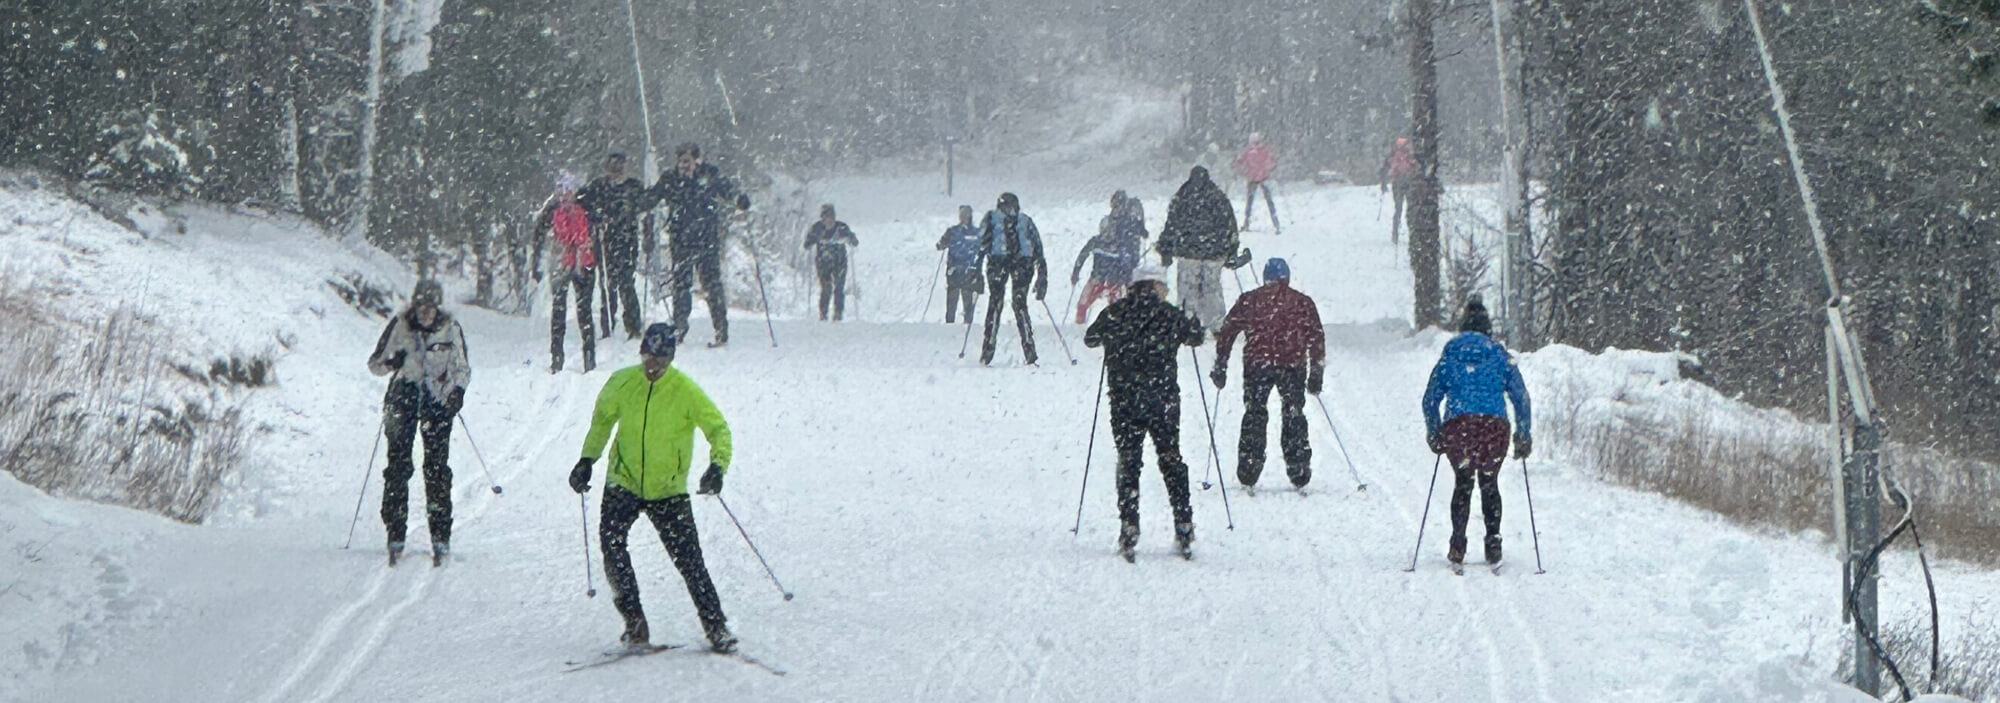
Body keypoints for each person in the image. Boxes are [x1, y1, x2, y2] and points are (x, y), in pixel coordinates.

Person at [569, 322, 738, 653]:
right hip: (624, 482)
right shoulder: (622, 382)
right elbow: (602, 422)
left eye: (660, 360)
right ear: (641, 353)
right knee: (612, 548)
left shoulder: (685, 391)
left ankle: (716, 628)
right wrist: (587, 460)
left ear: (671, 359)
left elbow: (719, 430)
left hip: (668, 491)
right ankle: (634, 623)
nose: (652, 366)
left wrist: (717, 467)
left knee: (690, 561)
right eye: (648, 357)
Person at [1084, 264, 1206, 562]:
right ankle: (1184, 525)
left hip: (1125, 400)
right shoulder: (1169, 314)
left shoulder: (1115, 312)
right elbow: (1195, 337)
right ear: (1157, 287)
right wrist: (1192, 322)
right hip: (1162, 400)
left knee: (1129, 461)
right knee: (1171, 460)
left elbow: (1090, 338)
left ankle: (1129, 525)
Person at [365, 279, 471, 567]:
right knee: (398, 466)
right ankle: (395, 530)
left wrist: (457, 393)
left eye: (431, 308)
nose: (426, 313)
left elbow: (461, 368)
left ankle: (440, 534)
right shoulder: (399, 326)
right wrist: (392, 362)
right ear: (414, 305)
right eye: (422, 307)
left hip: (437, 401)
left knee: (437, 469)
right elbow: (375, 364)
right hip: (403, 397)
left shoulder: (451, 329)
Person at [1420, 295, 1532, 566]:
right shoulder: (1499, 354)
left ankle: (1458, 544)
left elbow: (1430, 399)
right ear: (1487, 328)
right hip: (1494, 427)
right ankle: (1493, 543)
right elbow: (1521, 397)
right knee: (1489, 483)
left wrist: (1434, 431)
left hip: (1459, 427)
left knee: (1463, 482)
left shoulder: (1450, 354)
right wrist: (1523, 433)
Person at [1210, 258, 1325, 490]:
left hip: (1257, 364)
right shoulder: (1302, 302)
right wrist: (1316, 372)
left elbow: (1228, 331)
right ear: (1287, 277)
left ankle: (1249, 466)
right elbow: (1316, 338)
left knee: (1255, 412)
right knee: (1293, 412)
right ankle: (1298, 466)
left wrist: (1221, 362)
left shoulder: (1250, 300)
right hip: (1292, 365)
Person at [652, 142, 750, 348]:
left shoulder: (709, 176)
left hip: (707, 239)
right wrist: (636, 202)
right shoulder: (670, 180)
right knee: (681, 284)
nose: (684, 165)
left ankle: (721, 330)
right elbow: (652, 197)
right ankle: (679, 328)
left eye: (688, 160)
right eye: (681, 161)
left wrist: (739, 199)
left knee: (712, 285)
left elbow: (727, 190)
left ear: (697, 160)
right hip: (681, 240)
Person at [1156, 166, 1242, 333]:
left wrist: (1165, 247)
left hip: (1188, 252)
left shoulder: (1182, 197)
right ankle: (1216, 324)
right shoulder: (1217, 197)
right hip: (1214, 253)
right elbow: (1229, 224)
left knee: (1188, 287)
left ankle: (1189, 322)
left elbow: (1171, 224)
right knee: (1212, 288)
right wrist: (1232, 249)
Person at [577, 153, 652, 339]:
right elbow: (582, 202)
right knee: (607, 283)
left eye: (618, 167)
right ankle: (607, 324)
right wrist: (595, 217)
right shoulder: (598, 187)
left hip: (627, 240)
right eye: (612, 167)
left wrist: (648, 234)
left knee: (626, 282)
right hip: (605, 240)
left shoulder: (633, 187)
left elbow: (647, 206)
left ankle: (633, 325)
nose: (615, 172)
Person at [532, 171, 596, 373]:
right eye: (560, 189)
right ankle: (556, 358)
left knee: (584, 311)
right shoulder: (551, 211)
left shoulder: (586, 208)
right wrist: (537, 262)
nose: (564, 193)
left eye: (568, 189)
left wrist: (592, 247)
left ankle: (589, 357)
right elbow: (538, 235)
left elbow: (597, 231)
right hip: (561, 263)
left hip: (584, 262)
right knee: (558, 311)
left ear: (575, 191)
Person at [976, 192, 1048, 366]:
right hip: (1023, 263)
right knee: (1020, 304)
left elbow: (981, 245)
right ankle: (1029, 351)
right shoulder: (1025, 221)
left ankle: (988, 351)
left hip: (998, 262)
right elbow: (1037, 248)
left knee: (995, 304)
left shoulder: (992, 219)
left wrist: (976, 271)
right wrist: (1042, 275)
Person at [1070, 190, 1145, 324]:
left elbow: (1131, 254)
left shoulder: (1126, 231)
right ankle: (1080, 322)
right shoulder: (1098, 240)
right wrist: (1076, 271)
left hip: (1115, 276)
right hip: (1099, 275)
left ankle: (1117, 322)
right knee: (1084, 301)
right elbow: (1083, 254)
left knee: (1115, 299)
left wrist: (1128, 273)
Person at [803, 203, 860, 321]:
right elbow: (807, 243)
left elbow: (854, 242)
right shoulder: (817, 228)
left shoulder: (841, 227)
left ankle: (838, 313)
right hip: (823, 262)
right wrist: (811, 241)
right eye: (826, 216)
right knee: (826, 286)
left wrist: (850, 239)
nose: (829, 220)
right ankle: (823, 313)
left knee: (839, 286)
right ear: (822, 217)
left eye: (831, 216)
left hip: (839, 261)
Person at [935, 205, 984, 324]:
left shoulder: (977, 233)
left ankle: (967, 325)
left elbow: (984, 249)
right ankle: (950, 324)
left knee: (968, 302)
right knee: (952, 302)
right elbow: (940, 245)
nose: (963, 217)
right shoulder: (952, 231)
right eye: (961, 215)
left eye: (965, 215)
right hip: (954, 271)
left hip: (969, 272)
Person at [1234, 133, 1279, 234]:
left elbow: (1240, 161)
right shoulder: (1265, 151)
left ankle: (1247, 223)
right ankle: (1276, 223)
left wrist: (1238, 164)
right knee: (1268, 201)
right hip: (1263, 178)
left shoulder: (1249, 152)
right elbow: (1273, 161)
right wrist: (1270, 168)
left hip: (1253, 179)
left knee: (1250, 202)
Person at [1379, 137, 1419, 245]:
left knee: (1399, 209)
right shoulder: (1409, 156)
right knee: (1408, 210)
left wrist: (1384, 183)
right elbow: (1416, 168)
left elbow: (1384, 170)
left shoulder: (1392, 156)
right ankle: (1410, 233)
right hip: (1406, 183)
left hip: (1399, 183)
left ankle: (1396, 234)